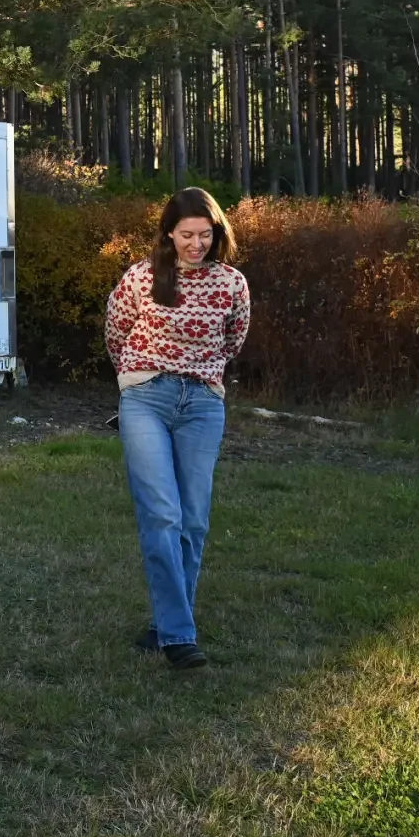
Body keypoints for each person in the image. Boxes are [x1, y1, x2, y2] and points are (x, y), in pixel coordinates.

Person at [103, 187, 251, 671]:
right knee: (162, 513)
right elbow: (116, 332)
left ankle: (165, 622)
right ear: (169, 233)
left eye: (205, 235)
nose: (196, 244)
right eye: (186, 235)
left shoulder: (232, 283)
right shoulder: (141, 277)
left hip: (203, 405)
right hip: (146, 399)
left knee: (193, 520)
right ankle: (180, 636)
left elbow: (233, 341)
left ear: (217, 234)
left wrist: (199, 373)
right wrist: (137, 377)